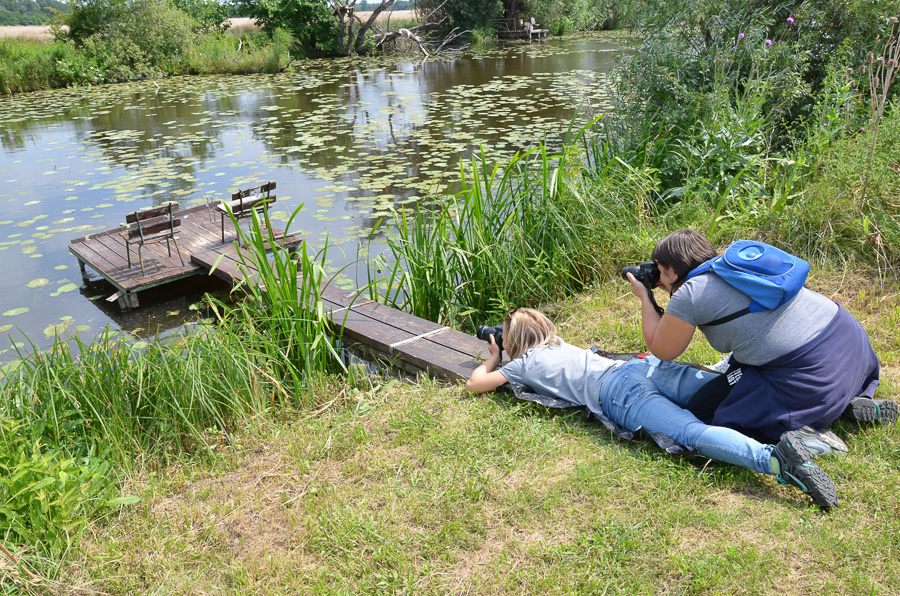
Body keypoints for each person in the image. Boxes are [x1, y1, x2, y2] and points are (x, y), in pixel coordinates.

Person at [465, 308, 839, 509]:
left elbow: (475, 384)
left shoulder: (522, 364)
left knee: (689, 431)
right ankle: (809, 427)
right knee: (717, 390)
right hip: (636, 366)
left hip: (617, 391)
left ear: (515, 341)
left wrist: (496, 356)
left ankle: (774, 461)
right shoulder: (560, 344)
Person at [626, 229, 893, 446]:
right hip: (852, 348)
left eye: (658, 270)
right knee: (735, 374)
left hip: (813, 373)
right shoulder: (734, 268)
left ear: (672, 271)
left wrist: (645, 298)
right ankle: (847, 403)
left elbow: (662, 350)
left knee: (707, 412)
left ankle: (803, 433)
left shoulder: (691, 293)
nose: (657, 277)